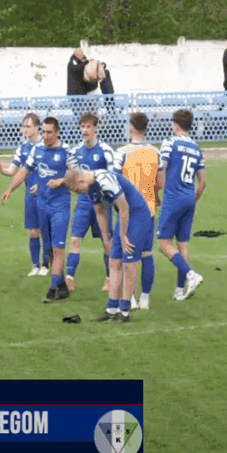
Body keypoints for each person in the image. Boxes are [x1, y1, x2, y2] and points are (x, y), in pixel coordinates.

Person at [1, 117, 77, 303]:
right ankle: (61, 286)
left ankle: (53, 290)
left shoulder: (67, 151)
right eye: (44, 132)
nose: (46, 135)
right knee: (50, 248)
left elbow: (77, 175)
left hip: (60, 206)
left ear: (58, 132)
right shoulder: (37, 149)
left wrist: (62, 181)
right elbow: (24, 171)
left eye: (49, 132)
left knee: (58, 248)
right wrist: (10, 189)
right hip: (42, 205)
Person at [64, 169, 151, 323]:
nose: (79, 193)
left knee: (128, 262)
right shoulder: (91, 187)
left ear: (81, 181)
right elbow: (100, 211)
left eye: (77, 190)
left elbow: (124, 207)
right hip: (124, 217)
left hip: (137, 214)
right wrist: (106, 238)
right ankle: (111, 309)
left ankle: (125, 312)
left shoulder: (105, 181)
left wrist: (123, 235)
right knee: (114, 261)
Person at [114, 113, 162, 310]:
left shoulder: (122, 152)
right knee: (147, 254)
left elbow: (115, 180)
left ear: (131, 128)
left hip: (130, 211)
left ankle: (130, 298)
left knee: (128, 257)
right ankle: (145, 298)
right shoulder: (155, 153)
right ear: (147, 128)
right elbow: (160, 182)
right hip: (149, 211)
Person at [0, 113, 50, 277]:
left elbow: (52, 170)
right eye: (24, 126)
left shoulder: (46, 146)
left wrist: (42, 184)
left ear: (37, 127)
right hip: (30, 196)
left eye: (28, 126)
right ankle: (35, 265)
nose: (25, 129)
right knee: (33, 232)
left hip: (46, 195)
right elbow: (13, 171)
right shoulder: (22, 149)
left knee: (45, 231)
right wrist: (2, 170)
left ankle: (46, 264)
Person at [157, 110, 205, 300]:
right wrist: (193, 200)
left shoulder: (170, 143)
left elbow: (161, 168)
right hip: (189, 198)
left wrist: (157, 191)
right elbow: (202, 182)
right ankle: (179, 291)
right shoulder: (197, 148)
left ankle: (191, 274)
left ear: (176, 124)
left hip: (173, 197)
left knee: (163, 243)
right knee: (182, 244)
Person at [65, 113, 116, 292]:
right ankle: (69, 278)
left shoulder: (106, 151)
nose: (85, 130)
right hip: (84, 203)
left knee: (106, 242)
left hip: (102, 203)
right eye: (83, 127)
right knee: (75, 240)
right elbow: (71, 175)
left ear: (96, 128)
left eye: (88, 127)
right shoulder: (76, 151)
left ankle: (110, 278)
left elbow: (113, 177)